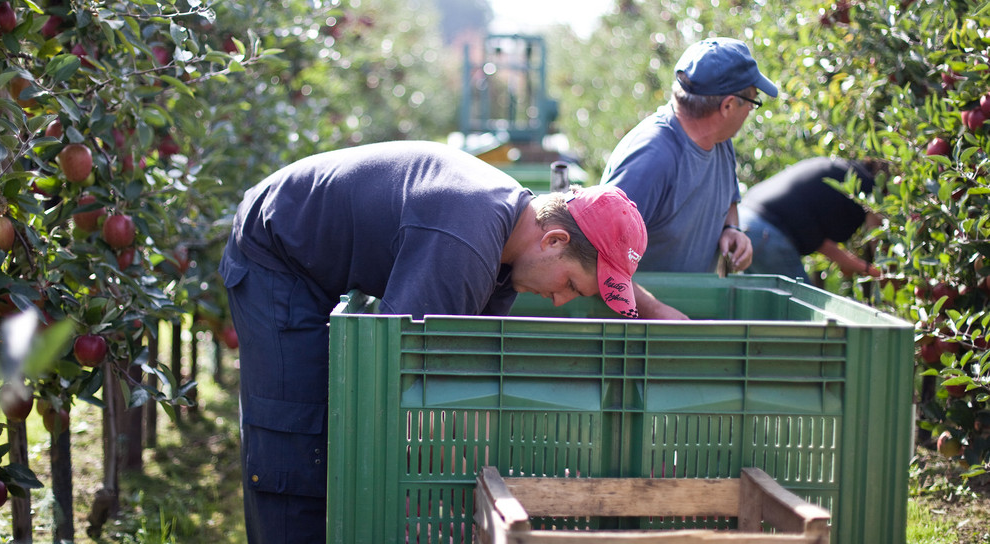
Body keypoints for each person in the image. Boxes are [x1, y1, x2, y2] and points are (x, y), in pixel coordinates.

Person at [218, 140, 685, 544]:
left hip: (317, 260)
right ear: (554, 239)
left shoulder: (508, 256)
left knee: (326, 437)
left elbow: (460, 379)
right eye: (571, 284)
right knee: (296, 438)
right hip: (276, 253)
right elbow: (397, 384)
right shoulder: (463, 243)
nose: (560, 300)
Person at [601, 37, 778, 274]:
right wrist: (655, 309)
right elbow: (598, 258)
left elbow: (729, 202)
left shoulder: (719, 141)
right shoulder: (651, 158)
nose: (750, 111)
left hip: (685, 307)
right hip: (638, 311)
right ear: (727, 106)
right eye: (752, 101)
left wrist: (732, 230)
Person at [738, 157, 884, 281]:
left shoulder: (839, 168)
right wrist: (871, 270)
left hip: (741, 219)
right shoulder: (868, 188)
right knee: (799, 309)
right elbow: (821, 243)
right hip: (768, 233)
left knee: (756, 306)